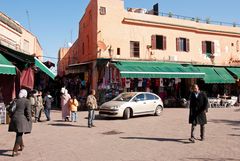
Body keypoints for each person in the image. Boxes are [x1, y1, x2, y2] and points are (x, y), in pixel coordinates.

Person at [8, 89, 32, 157]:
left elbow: (10, 109)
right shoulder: (27, 101)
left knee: (19, 132)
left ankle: (22, 146)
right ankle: (15, 151)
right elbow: (28, 113)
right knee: (19, 134)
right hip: (20, 120)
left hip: (14, 119)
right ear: (25, 94)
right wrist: (30, 121)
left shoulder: (15, 100)